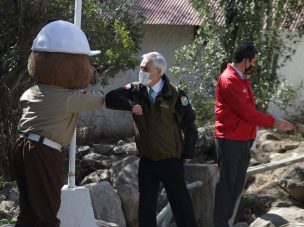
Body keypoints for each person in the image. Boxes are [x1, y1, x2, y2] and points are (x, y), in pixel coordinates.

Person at [11, 20, 105, 227]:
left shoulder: (33, 91)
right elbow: (100, 97)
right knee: (47, 214)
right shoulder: (67, 98)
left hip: (22, 146)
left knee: (28, 212)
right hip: (44, 151)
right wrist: (91, 76)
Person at [106, 52, 198, 227]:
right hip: (147, 160)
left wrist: (188, 152)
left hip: (170, 160)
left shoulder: (175, 95)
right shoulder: (135, 90)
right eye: (141, 68)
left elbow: (190, 125)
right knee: (146, 208)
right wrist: (131, 106)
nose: (141, 71)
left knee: (181, 206)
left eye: (145, 69)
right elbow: (110, 98)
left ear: (159, 72)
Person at [213, 42, 294, 227]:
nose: (255, 65)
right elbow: (247, 113)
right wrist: (275, 122)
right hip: (230, 140)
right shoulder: (229, 79)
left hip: (243, 140)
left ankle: (224, 223)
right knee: (226, 187)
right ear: (245, 60)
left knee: (236, 188)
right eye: (254, 61)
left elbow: (249, 112)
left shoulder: (241, 78)